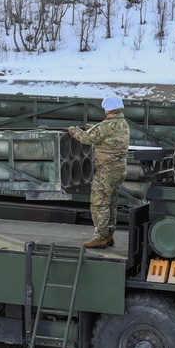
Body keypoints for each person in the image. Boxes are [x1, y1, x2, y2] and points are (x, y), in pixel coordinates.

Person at [67, 96, 130, 248]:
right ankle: (109, 235)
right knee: (111, 204)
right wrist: (92, 127)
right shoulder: (122, 123)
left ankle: (100, 237)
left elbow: (87, 138)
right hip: (119, 170)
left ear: (108, 109)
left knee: (99, 204)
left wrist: (73, 130)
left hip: (106, 172)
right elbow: (103, 132)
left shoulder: (107, 125)